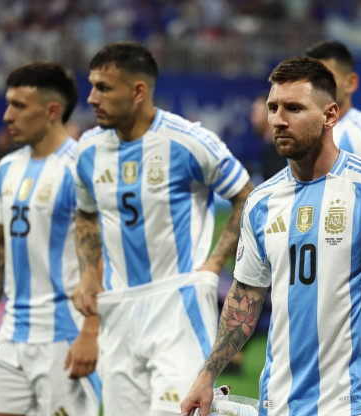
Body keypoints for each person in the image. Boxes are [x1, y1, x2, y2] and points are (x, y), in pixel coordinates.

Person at [181, 56, 361, 416]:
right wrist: (207, 374)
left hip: (354, 402)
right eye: (273, 107)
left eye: (294, 108)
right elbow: (246, 295)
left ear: (330, 115)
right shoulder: (261, 202)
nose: (278, 120)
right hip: (278, 401)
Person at [70, 41, 253, 415]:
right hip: (118, 309)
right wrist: (90, 274)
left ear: (138, 91)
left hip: (177, 303)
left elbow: (246, 196)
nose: (91, 98)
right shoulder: (87, 150)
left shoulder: (188, 140)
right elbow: (86, 214)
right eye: (91, 86)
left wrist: (214, 264)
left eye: (103, 87)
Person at [0, 62, 100, 415]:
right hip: (11, 331)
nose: (8, 115)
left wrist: (91, 331)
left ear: (52, 111)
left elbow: (102, 257)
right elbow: (0, 244)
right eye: (9, 104)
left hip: (64, 334)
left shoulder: (81, 168)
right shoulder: (6, 168)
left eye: (19, 106)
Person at [306, 40, 361, 168]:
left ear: (350, 83)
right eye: (311, 79)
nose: (316, 87)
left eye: (326, 78)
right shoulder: (300, 129)